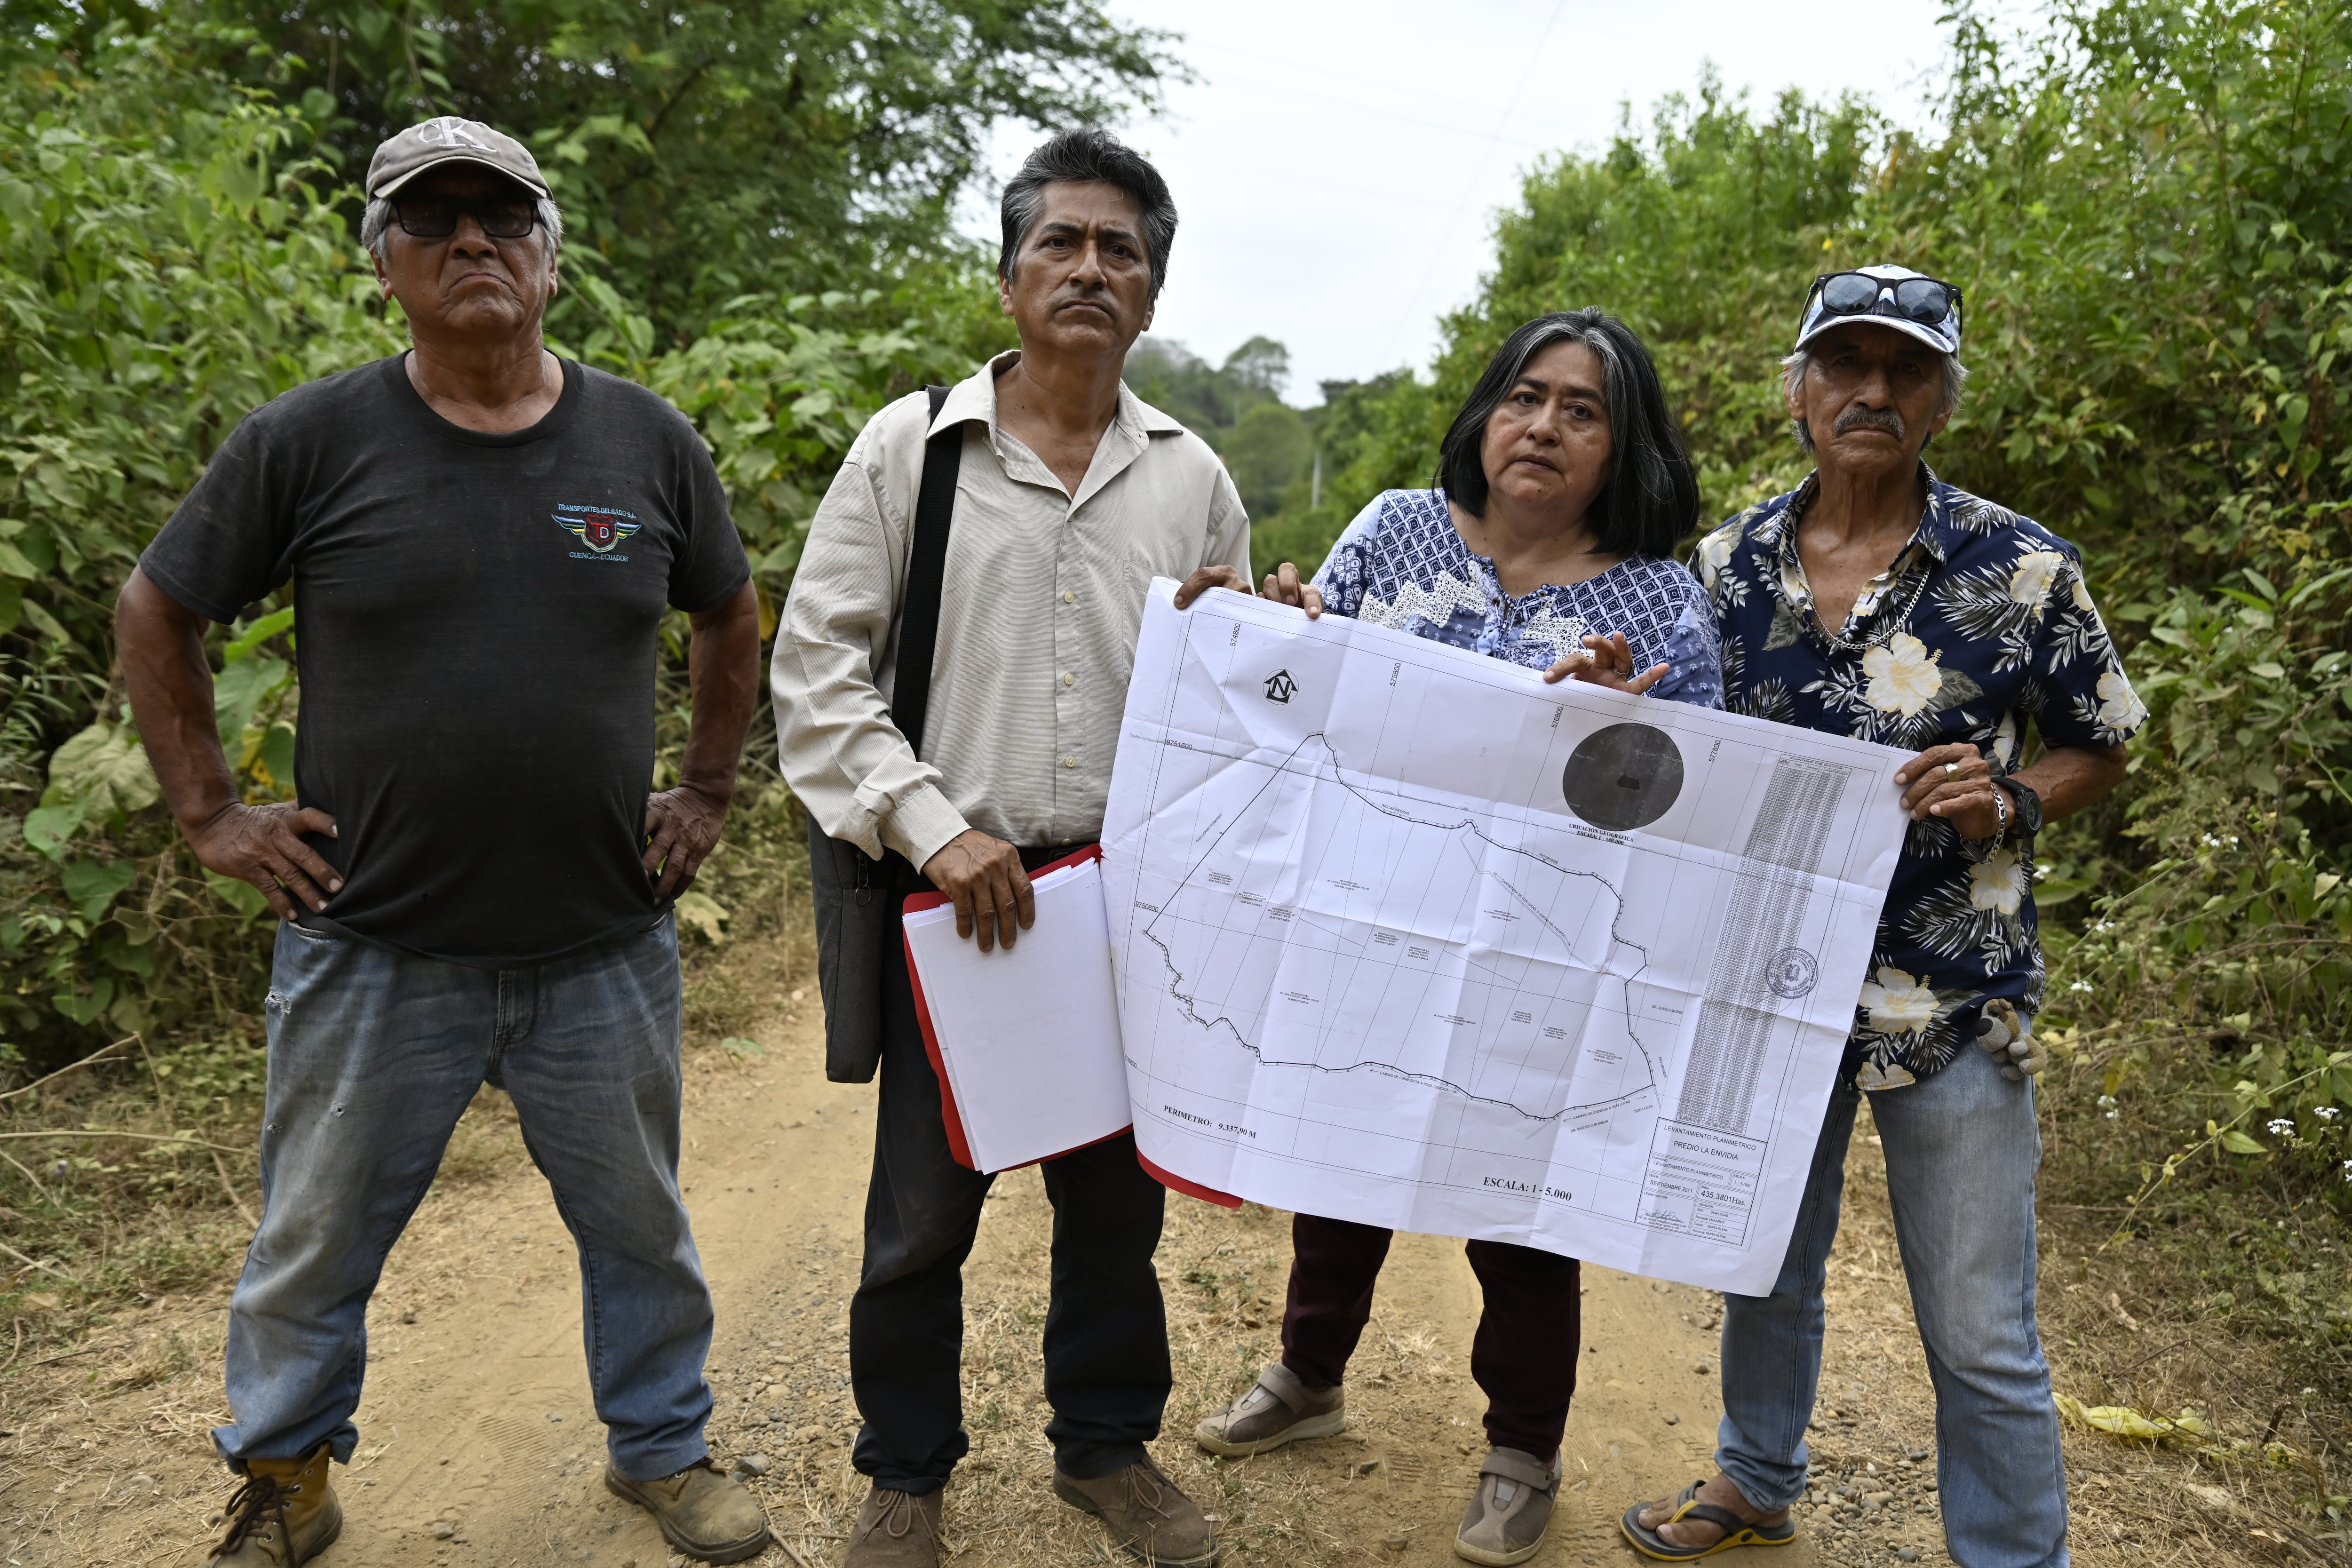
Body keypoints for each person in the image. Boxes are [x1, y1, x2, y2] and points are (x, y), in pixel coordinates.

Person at [116, 117, 772, 1567]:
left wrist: (710, 789)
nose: (474, 239)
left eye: (504, 215)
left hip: (601, 942)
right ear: (384, 265)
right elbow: (158, 606)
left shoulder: (645, 440)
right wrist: (212, 814)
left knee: (643, 1230)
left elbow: (729, 611)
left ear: (552, 253)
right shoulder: (311, 438)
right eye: (435, 220)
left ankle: (662, 1452)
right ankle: (288, 1475)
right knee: (312, 1245)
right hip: (373, 946)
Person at [773, 127, 1248, 1568]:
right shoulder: (908, 450)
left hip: (1123, 902)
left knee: (1115, 1212)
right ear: (1009, 279)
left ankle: (1105, 1453)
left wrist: (1259, 634)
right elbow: (819, 673)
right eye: (1063, 242)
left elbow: (1225, 699)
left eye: (1122, 251)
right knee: (921, 1218)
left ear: (1152, 299)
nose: (1092, 269)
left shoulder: (1192, 480)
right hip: (954, 906)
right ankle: (904, 1474)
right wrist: (933, 829)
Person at [1619, 266, 2143, 1566]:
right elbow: (1671, 749)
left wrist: (2007, 800)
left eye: (1904, 370)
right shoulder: (1725, 566)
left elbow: (2104, 745)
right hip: (1764, 981)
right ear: (1798, 392)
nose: (1871, 391)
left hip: (1950, 988)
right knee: (1761, 1259)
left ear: (1941, 404)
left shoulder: (2023, 570)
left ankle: (2016, 1558)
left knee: (1977, 1324)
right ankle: (1756, 1474)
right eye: (1844, 365)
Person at [1190, 309, 1724, 1568]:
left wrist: (1617, 733)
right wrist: (1294, 630)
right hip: (1374, 918)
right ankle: (1308, 1376)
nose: (1543, 426)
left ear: (1624, 445)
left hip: (1542, 953)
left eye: (1582, 410)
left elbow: (1697, 804)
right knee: (1339, 1161)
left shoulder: (1660, 604)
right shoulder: (1391, 531)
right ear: (1486, 413)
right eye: (1525, 396)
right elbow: (1311, 706)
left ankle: (1521, 1452)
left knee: (1517, 1209)